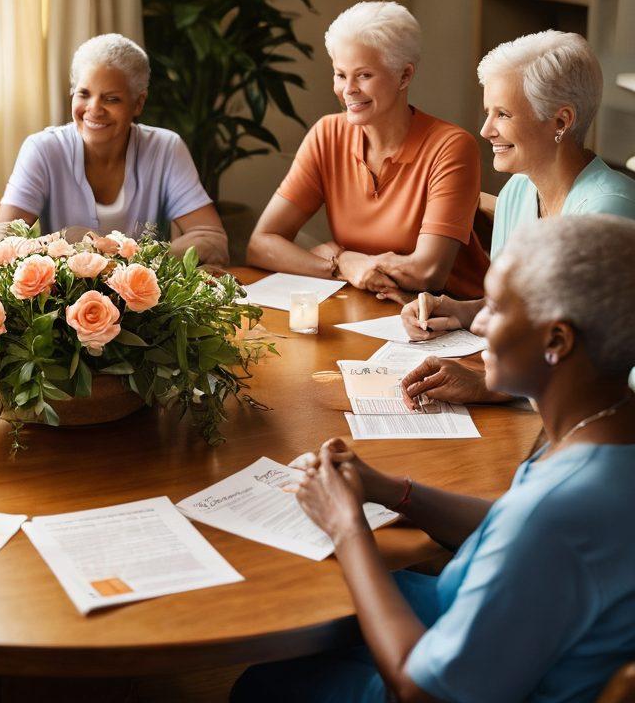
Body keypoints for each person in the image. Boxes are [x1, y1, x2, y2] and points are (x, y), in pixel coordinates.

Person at [232, 213, 635, 703]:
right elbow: (510, 525)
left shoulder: (555, 513)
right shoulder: (605, 425)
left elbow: (419, 690)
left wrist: (346, 524)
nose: (479, 323)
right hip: (509, 631)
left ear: (557, 341)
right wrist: (393, 490)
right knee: (317, 601)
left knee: (265, 683)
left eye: (499, 308)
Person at [395, 31, 635, 408]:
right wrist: (462, 309)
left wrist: (486, 386)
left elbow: (593, 362)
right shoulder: (517, 193)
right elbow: (533, 312)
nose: (486, 129)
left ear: (561, 120)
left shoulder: (608, 211)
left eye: (502, 114)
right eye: (488, 112)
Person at [246, 1, 489, 299]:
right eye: (340, 74)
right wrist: (342, 263)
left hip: (451, 324)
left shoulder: (451, 147)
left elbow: (428, 273)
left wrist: (339, 255)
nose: (348, 89)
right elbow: (262, 244)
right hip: (369, 309)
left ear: (404, 76)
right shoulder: (327, 134)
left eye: (363, 75)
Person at [0, 33, 230, 263]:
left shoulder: (165, 148)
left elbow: (213, 240)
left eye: (111, 99)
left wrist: (127, 265)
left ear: (138, 103)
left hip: (148, 301)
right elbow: (0, 244)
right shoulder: (43, 149)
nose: (94, 109)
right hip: (63, 301)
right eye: (84, 94)